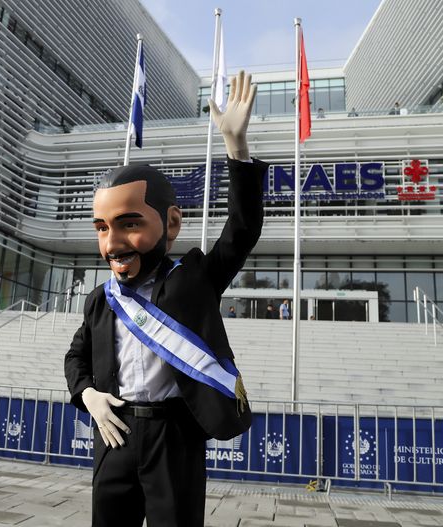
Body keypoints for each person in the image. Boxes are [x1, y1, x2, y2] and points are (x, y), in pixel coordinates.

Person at [64, 71, 263, 527]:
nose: (113, 242)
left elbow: (242, 232)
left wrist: (237, 147)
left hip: (174, 436)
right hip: (114, 432)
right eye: (101, 228)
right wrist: (88, 395)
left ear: (171, 224)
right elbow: (75, 357)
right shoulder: (101, 299)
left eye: (129, 223)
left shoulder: (194, 281)